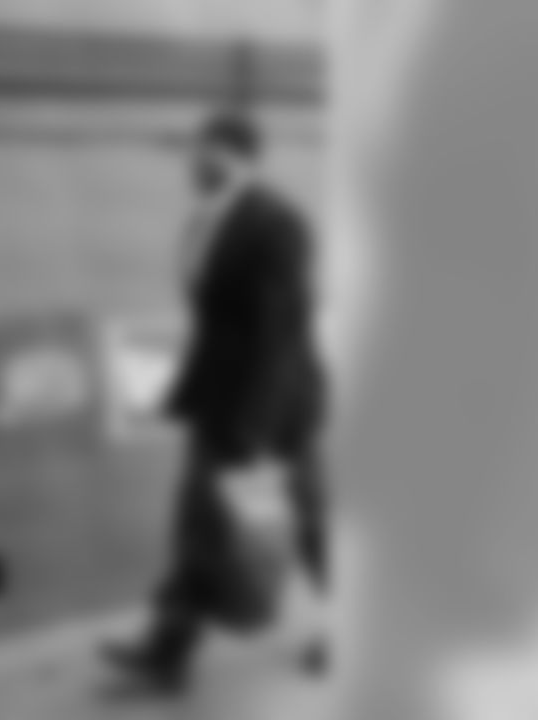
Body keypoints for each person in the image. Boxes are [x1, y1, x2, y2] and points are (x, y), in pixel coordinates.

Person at [102, 110, 332, 693]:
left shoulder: (278, 223)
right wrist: (194, 394)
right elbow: (216, 324)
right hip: (219, 406)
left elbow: (281, 333)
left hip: (276, 413)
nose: (192, 161)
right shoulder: (204, 219)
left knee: (311, 526)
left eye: (203, 150)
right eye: (192, 151)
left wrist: (255, 432)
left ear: (236, 154)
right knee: (198, 529)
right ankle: (166, 654)